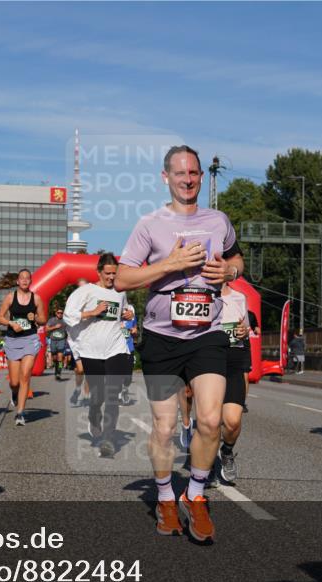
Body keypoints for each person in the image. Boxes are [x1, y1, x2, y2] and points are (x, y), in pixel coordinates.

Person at [115, 144, 244, 543]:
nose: (187, 180)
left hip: (208, 334)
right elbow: (122, 279)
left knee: (210, 420)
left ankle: (198, 494)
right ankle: (167, 496)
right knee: (166, 427)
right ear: (165, 177)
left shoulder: (219, 220)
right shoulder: (150, 225)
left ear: (201, 177)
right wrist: (170, 264)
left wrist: (229, 269)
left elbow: (239, 260)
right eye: (179, 173)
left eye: (194, 173)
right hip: (161, 337)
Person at [63, 253, 131, 458]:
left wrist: (129, 314)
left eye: (114, 274)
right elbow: (69, 315)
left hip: (115, 348)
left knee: (112, 395)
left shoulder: (120, 292)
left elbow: (125, 311)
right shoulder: (86, 291)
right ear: (99, 272)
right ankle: (94, 414)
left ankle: (108, 439)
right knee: (98, 395)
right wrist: (92, 312)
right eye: (108, 274)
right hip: (91, 350)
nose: (111, 278)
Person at [0, 269, 47, 426]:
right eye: (22, 278)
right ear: (17, 281)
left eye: (27, 278)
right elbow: (0, 317)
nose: (25, 281)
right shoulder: (11, 297)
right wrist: (11, 323)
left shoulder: (36, 298)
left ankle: (20, 413)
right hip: (12, 340)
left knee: (25, 375)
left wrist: (36, 318)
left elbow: (44, 320)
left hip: (30, 339)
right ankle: (14, 392)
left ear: (30, 281)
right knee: (14, 382)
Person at [213, 281, 250, 485]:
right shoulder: (201, 294)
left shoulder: (239, 297)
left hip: (234, 358)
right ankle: (204, 461)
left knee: (233, 421)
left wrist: (244, 331)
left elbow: (244, 326)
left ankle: (226, 451)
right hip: (208, 358)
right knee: (209, 420)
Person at [68, 278, 91, 407]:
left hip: (89, 339)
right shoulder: (72, 301)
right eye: (80, 287)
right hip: (75, 339)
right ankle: (77, 389)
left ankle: (87, 395)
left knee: (89, 369)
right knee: (80, 369)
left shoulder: (92, 300)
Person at [119, 303, 138, 406]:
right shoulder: (115, 319)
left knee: (128, 377)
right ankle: (118, 394)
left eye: (128, 311)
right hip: (116, 349)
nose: (125, 312)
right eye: (124, 310)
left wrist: (135, 332)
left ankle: (125, 389)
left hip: (129, 348)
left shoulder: (132, 319)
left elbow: (135, 330)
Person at [46, 306, 69, 380]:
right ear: (56, 313)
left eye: (61, 313)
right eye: (59, 313)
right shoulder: (52, 320)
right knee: (55, 358)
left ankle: (59, 372)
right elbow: (46, 329)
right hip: (53, 340)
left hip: (61, 340)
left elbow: (70, 329)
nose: (60, 314)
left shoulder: (65, 321)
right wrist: (55, 327)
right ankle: (56, 369)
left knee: (60, 357)